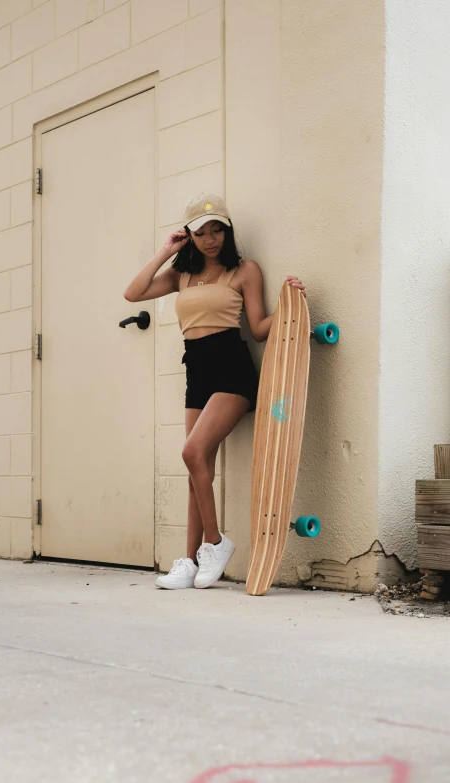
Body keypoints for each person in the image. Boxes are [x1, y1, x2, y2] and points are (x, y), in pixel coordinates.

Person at [124, 194, 305, 590]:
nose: (210, 239)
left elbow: (258, 328)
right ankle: (189, 562)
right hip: (198, 372)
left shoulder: (244, 270)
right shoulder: (181, 276)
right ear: (189, 236)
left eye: (217, 230)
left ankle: (215, 542)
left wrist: (292, 301)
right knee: (196, 469)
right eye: (201, 232)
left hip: (231, 371)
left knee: (191, 452)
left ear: (227, 231)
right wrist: (165, 251)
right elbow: (132, 294)